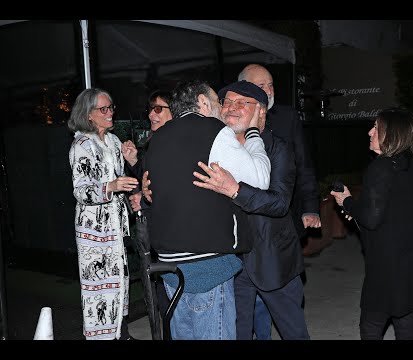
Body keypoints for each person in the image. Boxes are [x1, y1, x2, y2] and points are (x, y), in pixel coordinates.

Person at [143, 79, 271, 340]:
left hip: (169, 267)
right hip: (206, 265)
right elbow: (260, 178)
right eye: (217, 102)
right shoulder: (213, 129)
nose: (222, 110)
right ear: (202, 102)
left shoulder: (158, 137)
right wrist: (254, 132)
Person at [193, 81, 310, 340]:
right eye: (227, 102)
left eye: (241, 103)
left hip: (272, 259)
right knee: (237, 333)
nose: (231, 108)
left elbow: (279, 203)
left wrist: (236, 190)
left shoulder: (278, 148)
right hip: (230, 262)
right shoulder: (214, 145)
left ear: (261, 112)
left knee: (293, 332)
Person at [330, 107, 413, 340]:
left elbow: (372, 219)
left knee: (371, 327)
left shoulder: (381, 167)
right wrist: (357, 211)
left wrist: (347, 202)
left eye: (376, 127)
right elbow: (393, 214)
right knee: (407, 329)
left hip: (389, 268)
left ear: (392, 133)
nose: (369, 132)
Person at [238, 63, 320, 339]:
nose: (269, 91)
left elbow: (304, 165)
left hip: (282, 221)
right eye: (262, 86)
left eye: (271, 85)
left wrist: (310, 207)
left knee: (282, 297)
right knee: (249, 310)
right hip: (245, 234)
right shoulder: (229, 125)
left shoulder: (286, 118)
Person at [68, 88, 139, 340]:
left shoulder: (113, 141)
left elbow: (122, 178)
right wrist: (111, 186)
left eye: (111, 108)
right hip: (94, 231)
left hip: (115, 227)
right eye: (104, 109)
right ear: (88, 115)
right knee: (98, 288)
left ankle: (120, 332)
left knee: (119, 280)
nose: (110, 113)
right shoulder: (82, 145)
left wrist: (130, 159)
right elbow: (81, 191)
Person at [120, 89, 173, 339]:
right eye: (151, 108)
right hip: (158, 231)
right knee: (162, 295)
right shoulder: (154, 141)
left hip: (174, 232)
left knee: (172, 298)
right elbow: (147, 177)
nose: (152, 114)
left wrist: (147, 197)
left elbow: (175, 186)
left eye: (159, 108)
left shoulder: (176, 141)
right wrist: (133, 161)